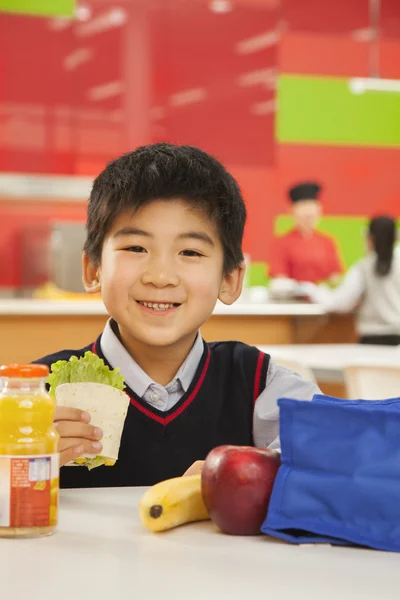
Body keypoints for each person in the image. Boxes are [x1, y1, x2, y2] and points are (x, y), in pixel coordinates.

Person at [33, 143, 320, 488]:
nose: (161, 275)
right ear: (93, 269)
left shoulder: (261, 384)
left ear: (229, 280)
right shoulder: (34, 394)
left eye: (190, 251)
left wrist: (259, 472)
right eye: (136, 248)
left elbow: (330, 466)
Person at [306, 216, 400, 345]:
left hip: (372, 340)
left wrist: (313, 291)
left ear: (369, 238)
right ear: (396, 237)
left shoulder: (364, 266)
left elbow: (341, 303)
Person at [269, 182, 343, 284]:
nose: (308, 213)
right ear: (292, 211)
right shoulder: (282, 243)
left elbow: (335, 275)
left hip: (322, 297)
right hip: (293, 298)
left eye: (312, 207)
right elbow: (279, 277)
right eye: (303, 206)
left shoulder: (327, 241)